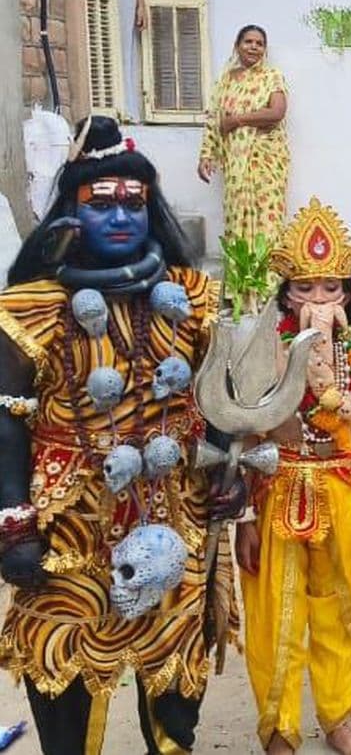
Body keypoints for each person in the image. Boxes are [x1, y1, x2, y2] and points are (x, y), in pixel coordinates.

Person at [0, 116, 237, 753]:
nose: (121, 216)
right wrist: (13, 524)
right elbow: (7, 417)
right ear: (69, 216)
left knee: (175, 675)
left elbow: (217, 397)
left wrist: (227, 471)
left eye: (135, 202)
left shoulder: (191, 297)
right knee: (63, 669)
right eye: (100, 204)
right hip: (72, 521)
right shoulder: (31, 308)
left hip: (175, 511)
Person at [235, 198, 351, 754]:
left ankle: (338, 719)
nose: (319, 301)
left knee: (344, 610)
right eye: (306, 288)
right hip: (277, 490)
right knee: (276, 613)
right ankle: (279, 731)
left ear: (347, 295)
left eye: (330, 288)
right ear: (285, 294)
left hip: (343, 487)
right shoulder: (266, 349)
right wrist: (245, 517)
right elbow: (247, 435)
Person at [198, 24, 290, 243]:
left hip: (265, 159)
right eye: (248, 42)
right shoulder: (225, 81)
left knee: (267, 218)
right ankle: (239, 276)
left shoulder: (271, 76)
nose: (254, 47)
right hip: (234, 161)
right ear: (237, 46)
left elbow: (276, 112)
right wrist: (206, 155)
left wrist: (237, 120)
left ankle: (268, 277)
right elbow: (214, 120)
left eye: (259, 44)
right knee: (236, 214)